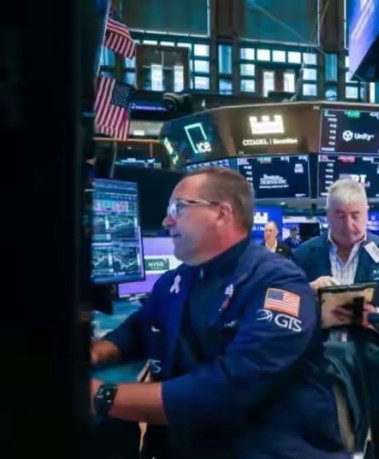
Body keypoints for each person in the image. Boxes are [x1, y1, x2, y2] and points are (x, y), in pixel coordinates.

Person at [90, 168, 351, 458]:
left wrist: (102, 396)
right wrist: (96, 352)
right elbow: (139, 328)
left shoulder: (277, 283)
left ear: (222, 213)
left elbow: (231, 389)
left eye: (178, 208)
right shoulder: (176, 280)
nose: (166, 221)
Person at [293, 178, 379, 458]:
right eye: (340, 216)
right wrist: (307, 291)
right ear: (327, 214)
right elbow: (286, 306)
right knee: (327, 441)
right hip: (322, 363)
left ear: (367, 212)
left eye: (355, 215)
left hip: (374, 361)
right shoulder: (303, 255)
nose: (348, 224)